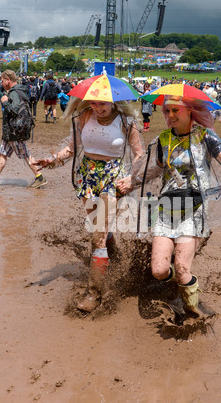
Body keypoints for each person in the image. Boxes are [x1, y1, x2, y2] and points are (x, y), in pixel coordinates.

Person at [117, 95, 221, 325]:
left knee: (181, 267)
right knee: (159, 270)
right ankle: (176, 286)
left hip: (194, 209)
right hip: (166, 208)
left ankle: (192, 312)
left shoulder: (205, 136)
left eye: (175, 110)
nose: (170, 116)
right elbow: (155, 171)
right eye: (167, 111)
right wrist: (131, 182)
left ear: (191, 111)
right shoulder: (164, 139)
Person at [34, 96, 144, 312]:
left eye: (102, 103)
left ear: (114, 102)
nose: (97, 107)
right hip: (88, 177)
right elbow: (72, 148)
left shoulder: (126, 122)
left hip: (114, 177)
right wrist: (52, 160)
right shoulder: (83, 116)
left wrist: (132, 178)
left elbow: (139, 154)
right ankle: (115, 258)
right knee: (98, 228)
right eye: (93, 103)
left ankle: (94, 294)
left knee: (97, 236)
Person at [0, 70, 47, 189]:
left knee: (26, 155)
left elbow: (14, 110)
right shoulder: (19, 91)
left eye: (2, 80)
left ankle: (39, 177)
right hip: (12, 130)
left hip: (14, 130)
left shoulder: (14, 93)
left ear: (8, 80)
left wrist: (5, 102)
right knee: (3, 152)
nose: (1, 83)